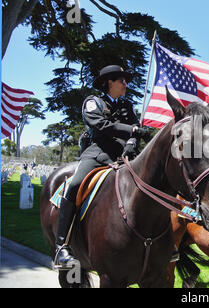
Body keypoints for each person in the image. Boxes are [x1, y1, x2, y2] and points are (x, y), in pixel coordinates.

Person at [54, 65, 153, 269]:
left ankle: (162, 243)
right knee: (75, 185)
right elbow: (101, 126)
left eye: (126, 81)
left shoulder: (128, 105)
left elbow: (135, 135)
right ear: (110, 82)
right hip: (98, 154)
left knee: (151, 187)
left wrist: (130, 144)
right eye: (122, 81)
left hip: (125, 157)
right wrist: (132, 129)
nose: (126, 84)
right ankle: (61, 246)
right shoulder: (94, 102)